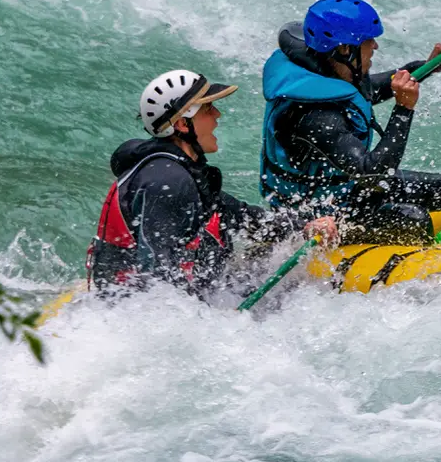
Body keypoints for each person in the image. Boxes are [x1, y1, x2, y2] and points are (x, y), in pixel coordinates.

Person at [89, 69, 336, 294]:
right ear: (182, 124)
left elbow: (242, 217)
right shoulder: (166, 181)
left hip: (183, 297)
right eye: (208, 109)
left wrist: (304, 226)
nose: (217, 115)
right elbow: (158, 279)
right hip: (132, 312)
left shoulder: (184, 171)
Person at [260, 0, 441, 242]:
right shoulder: (316, 116)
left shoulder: (329, 68)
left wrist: (426, 67)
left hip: (343, 189)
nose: (375, 46)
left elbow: (373, 88)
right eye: (368, 41)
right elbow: (372, 173)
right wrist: (403, 110)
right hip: (317, 216)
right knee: (413, 219)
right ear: (345, 49)